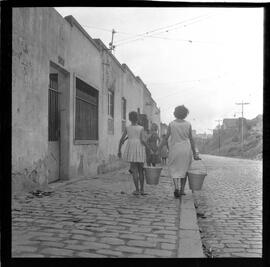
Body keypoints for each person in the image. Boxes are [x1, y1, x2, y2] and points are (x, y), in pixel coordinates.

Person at [158, 105, 200, 198]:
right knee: (184, 170)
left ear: (175, 113)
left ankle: (176, 187)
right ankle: (182, 190)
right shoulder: (188, 124)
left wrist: (159, 149)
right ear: (185, 114)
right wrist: (195, 153)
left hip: (174, 149)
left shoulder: (172, 124)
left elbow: (166, 138)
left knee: (175, 169)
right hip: (186, 149)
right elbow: (191, 139)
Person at [118, 111, 152, 196]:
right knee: (141, 170)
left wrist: (119, 150)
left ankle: (137, 190)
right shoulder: (141, 128)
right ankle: (142, 190)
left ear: (129, 118)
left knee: (134, 170)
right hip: (139, 148)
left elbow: (121, 140)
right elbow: (143, 140)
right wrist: (149, 149)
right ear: (137, 118)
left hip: (131, 148)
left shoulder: (127, 128)